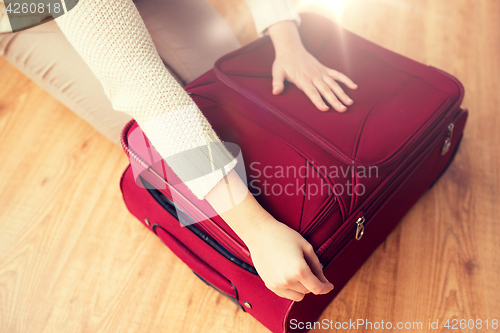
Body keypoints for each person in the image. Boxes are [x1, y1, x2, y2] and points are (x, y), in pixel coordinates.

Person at [53, 0, 357, 302]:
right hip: (35, 15)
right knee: (150, 148)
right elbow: (140, 85)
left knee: (229, 99)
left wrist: (288, 41)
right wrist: (257, 231)